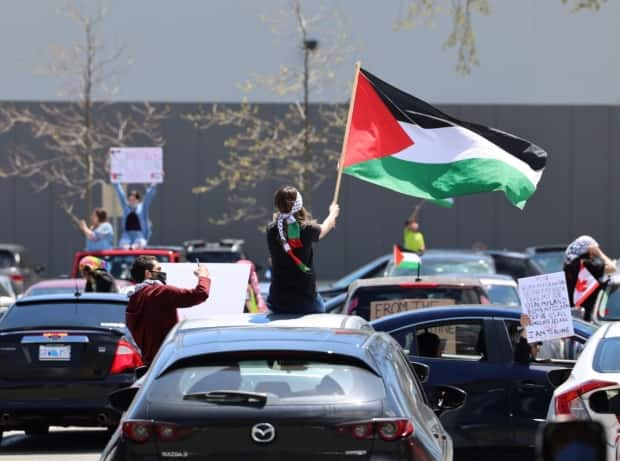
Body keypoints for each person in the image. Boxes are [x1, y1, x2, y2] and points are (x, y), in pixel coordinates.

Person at [266, 186, 339, 314]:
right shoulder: (306, 229)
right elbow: (324, 228)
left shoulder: (271, 230)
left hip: (277, 300)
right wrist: (332, 213)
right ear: (299, 205)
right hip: (305, 301)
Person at [125, 255, 210, 365]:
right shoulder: (160, 292)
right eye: (159, 269)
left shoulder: (134, 297)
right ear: (148, 274)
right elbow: (200, 294)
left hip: (147, 361)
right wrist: (203, 277)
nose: (162, 273)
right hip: (166, 361)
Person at [563, 235, 615, 321]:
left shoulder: (569, 265)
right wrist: (599, 253)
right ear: (590, 250)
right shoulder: (587, 265)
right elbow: (612, 268)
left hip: (573, 317)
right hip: (587, 318)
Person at [114, 183, 158, 249]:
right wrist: (116, 183)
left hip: (139, 235)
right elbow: (121, 195)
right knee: (122, 244)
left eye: (134, 200)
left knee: (142, 243)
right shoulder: (126, 207)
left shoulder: (143, 207)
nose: (132, 202)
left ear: (138, 200)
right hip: (127, 234)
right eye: (130, 200)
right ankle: (129, 248)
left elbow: (148, 197)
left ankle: (133, 248)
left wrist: (155, 182)